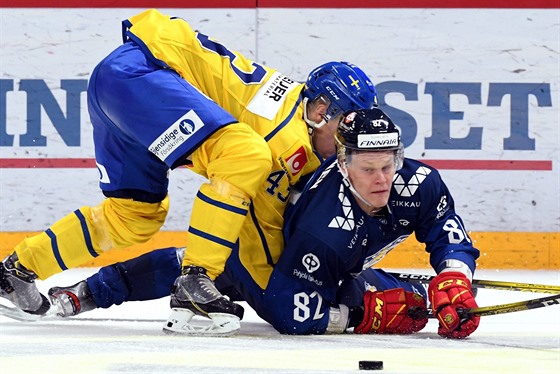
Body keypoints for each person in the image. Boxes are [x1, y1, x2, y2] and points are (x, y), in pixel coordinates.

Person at [0, 8, 378, 335]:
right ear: (319, 110)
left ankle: (18, 270)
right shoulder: (288, 139)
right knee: (246, 154)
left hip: (120, 84)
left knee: (134, 216)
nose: (350, 138)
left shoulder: (299, 120)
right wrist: (285, 295)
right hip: (142, 73)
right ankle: (195, 283)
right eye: (346, 124)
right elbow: (258, 236)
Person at [48, 108, 480, 339]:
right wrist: (361, 316)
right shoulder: (322, 229)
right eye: (368, 168)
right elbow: (289, 311)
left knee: (393, 293)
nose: (383, 179)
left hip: (315, 253)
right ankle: (93, 290)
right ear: (343, 164)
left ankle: (90, 289)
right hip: (275, 260)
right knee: (230, 270)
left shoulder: (419, 183)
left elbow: (447, 232)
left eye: (389, 165)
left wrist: (455, 274)